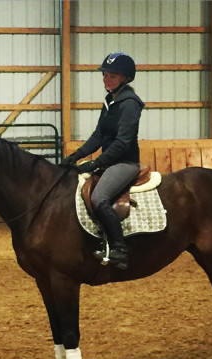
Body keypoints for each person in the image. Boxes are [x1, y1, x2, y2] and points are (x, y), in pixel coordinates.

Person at [63, 52, 144, 269]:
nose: (107, 79)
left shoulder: (129, 103)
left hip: (125, 163)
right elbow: (99, 135)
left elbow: (123, 142)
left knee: (99, 197)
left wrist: (96, 163)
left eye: (113, 76)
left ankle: (119, 249)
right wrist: (76, 155)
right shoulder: (110, 100)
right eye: (105, 75)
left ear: (125, 78)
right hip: (110, 161)